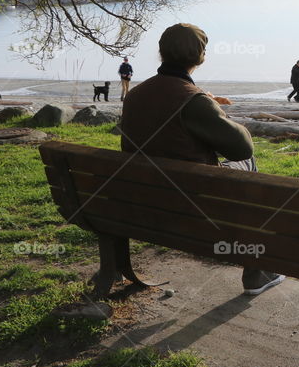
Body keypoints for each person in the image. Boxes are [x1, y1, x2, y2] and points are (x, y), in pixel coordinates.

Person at [119, 23, 285, 295]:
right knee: (249, 166)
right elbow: (242, 148)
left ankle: (112, 268)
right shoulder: (193, 100)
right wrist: (214, 107)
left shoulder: (135, 94)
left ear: (161, 54)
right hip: (192, 206)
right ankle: (257, 271)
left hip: (141, 203)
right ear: (201, 56)